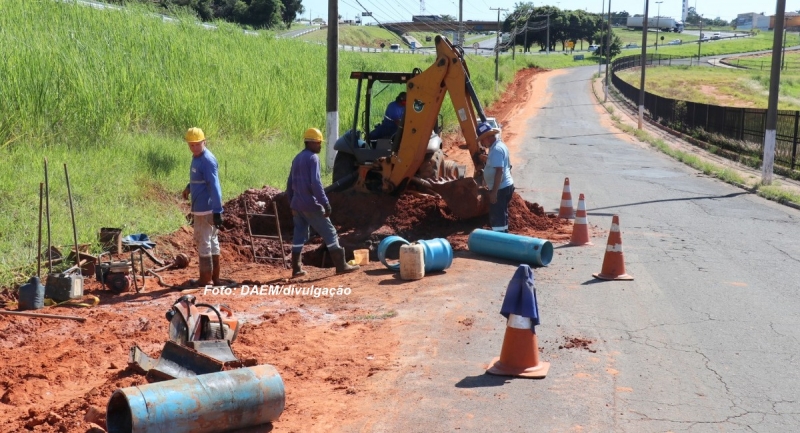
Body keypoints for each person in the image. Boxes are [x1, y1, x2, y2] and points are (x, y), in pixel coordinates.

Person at [287, 127, 359, 277]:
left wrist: (291, 203)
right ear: (312, 143)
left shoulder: (297, 158)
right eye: (319, 143)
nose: (320, 146)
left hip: (297, 204)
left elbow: (289, 183)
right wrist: (325, 203)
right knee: (330, 232)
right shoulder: (313, 158)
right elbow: (316, 183)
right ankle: (341, 265)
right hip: (310, 204)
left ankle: (296, 269)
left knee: (299, 234)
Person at [181, 127, 224, 287]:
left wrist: (218, 210)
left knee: (204, 240)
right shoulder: (197, 157)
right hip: (202, 207)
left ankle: (206, 279)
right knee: (211, 240)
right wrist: (189, 187)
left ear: (204, 142)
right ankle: (214, 278)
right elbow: (200, 178)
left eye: (197, 144)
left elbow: (214, 186)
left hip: (206, 208)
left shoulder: (207, 160)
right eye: (191, 145)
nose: (194, 147)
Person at [477, 121, 514, 233]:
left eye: (482, 140)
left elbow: (499, 171)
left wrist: (494, 192)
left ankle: (500, 242)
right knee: (502, 215)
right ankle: (504, 238)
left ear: (488, 138)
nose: (482, 143)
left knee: (497, 217)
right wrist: (487, 159)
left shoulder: (496, 150)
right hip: (504, 186)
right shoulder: (498, 146)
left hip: (500, 188)